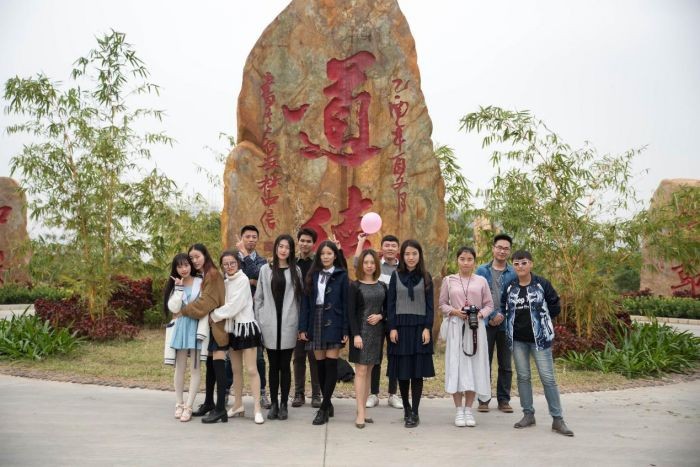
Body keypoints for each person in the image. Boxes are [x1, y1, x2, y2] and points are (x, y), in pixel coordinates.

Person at [502, 250, 574, 436]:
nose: (520, 266)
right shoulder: (510, 286)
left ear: (531, 264)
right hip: (517, 340)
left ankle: (557, 419)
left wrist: (543, 323)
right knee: (523, 377)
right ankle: (528, 414)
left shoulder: (542, 284)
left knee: (548, 378)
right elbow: (504, 307)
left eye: (524, 263)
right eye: (516, 264)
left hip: (540, 340)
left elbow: (555, 306)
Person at [439, 247, 494, 427]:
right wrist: (455, 311)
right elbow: (442, 304)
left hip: (476, 328)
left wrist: (479, 314)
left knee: (474, 367)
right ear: (457, 260)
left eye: (469, 259)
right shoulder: (449, 280)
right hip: (456, 328)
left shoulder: (481, 281)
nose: (466, 262)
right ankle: (458, 411)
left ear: (474, 261)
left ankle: (469, 410)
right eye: (462, 258)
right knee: (456, 367)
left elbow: (489, 305)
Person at [210, 251, 264, 424]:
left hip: (246, 329)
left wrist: (213, 315)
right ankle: (238, 405)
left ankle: (257, 408)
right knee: (235, 370)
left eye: (232, 263)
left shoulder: (243, 280)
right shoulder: (225, 282)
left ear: (238, 264)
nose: (229, 267)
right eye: (225, 264)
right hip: (232, 330)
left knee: (251, 369)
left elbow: (234, 306)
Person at [298, 240, 349, 425]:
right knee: (319, 365)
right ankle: (328, 403)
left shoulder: (342, 275)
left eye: (329, 253)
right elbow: (305, 303)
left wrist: (345, 329)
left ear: (335, 256)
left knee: (331, 365)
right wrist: (303, 327)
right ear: (318, 256)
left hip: (334, 321)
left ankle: (323, 407)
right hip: (316, 320)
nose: (326, 257)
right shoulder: (312, 275)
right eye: (322, 254)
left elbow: (346, 303)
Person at [254, 234, 303, 421]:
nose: (283, 250)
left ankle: (284, 404)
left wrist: (299, 324)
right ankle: (273, 403)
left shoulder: (295, 270)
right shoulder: (265, 270)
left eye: (287, 247)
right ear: (276, 248)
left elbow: (299, 299)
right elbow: (258, 298)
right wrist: (259, 320)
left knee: (285, 365)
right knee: (273, 366)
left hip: (289, 324)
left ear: (291, 250)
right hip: (269, 324)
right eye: (280, 246)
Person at [387, 239, 435, 428]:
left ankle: (415, 411)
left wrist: (427, 328)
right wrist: (392, 327)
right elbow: (390, 304)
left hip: (419, 330)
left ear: (419, 255)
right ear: (402, 256)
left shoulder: (426, 276)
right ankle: (406, 408)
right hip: (400, 329)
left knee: (417, 373)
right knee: (403, 373)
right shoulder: (395, 276)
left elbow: (430, 306)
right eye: (407, 254)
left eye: (414, 253)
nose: (411, 257)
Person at [178, 244, 227, 423]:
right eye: (191, 258)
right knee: (211, 367)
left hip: (217, 326)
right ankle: (209, 403)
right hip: (211, 326)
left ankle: (220, 409)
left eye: (197, 256)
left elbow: (205, 303)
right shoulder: (206, 274)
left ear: (205, 255)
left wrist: (183, 310)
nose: (194, 261)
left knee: (219, 367)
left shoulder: (212, 275)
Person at [354, 233, 402, 410]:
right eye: (387, 245)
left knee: (394, 355)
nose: (390, 248)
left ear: (398, 249)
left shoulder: (402, 268)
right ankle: (373, 393)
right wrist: (360, 242)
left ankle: (393, 393)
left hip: (395, 318)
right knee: (375, 357)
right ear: (382, 248)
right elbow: (357, 263)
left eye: (393, 245)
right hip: (375, 319)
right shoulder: (374, 266)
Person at [475, 234, 517, 413]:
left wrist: (502, 315)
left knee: (505, 364)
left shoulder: (514, 273)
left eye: (506, 248)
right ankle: (483, 399)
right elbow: (476, 296)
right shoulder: (481, 271)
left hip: (506, 324)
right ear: (493, 248)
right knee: (484, 362)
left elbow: (516, 298)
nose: (502, 251)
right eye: (499, 247)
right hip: (486, 322)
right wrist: (491, 314)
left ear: (509, 251)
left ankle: (503, 400)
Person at [163, 253, 206, 422]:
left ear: (191, 266)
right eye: (179, 266)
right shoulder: (175, 285)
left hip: (196, 327)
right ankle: (179, 403)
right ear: (175, 269)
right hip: (181, 328)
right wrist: (179, 289)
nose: (184, 269)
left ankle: (189, 406)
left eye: (186, 265)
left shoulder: (200, 282)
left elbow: (204, 305)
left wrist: (186, 311)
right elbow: (174, 309)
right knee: (179, 367)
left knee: (195, 368)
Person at [348, 249, 387, 429]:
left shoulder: (382, 286)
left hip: (377, 333)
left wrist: (380, 316)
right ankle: (360, 413)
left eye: (372, 263)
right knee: (361, 371)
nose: (369, 266)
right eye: (366, 263)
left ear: (376, 265)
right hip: (360, 334)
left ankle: (363, 409)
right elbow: (351, 314)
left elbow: (387, 309)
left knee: (370, 370)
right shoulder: (354, 286)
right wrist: (355, 335)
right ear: (361, 265)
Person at [234, 224, 271, 409]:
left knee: (258, 358)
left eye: (254, 237)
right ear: (241, 238)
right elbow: (229, 281)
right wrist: (249, 281)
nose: (250, 240)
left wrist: (245, 257)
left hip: (255, 315)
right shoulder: (232, 259)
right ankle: (229, 394)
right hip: (235, 314)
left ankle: (262, 393)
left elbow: (259, 276)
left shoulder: (263, 262)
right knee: (231, 359)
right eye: (247, 236)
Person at [292, 228, 322, 409]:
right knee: (298, 356)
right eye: (302, 240)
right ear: (298, 241)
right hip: (295, 313)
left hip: (314, 315)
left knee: (314, 357)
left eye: (308, 241)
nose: (304, 244)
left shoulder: (317, 263)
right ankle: (299, 393)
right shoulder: (292, 263)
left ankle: (316, 394)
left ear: (313, 244)